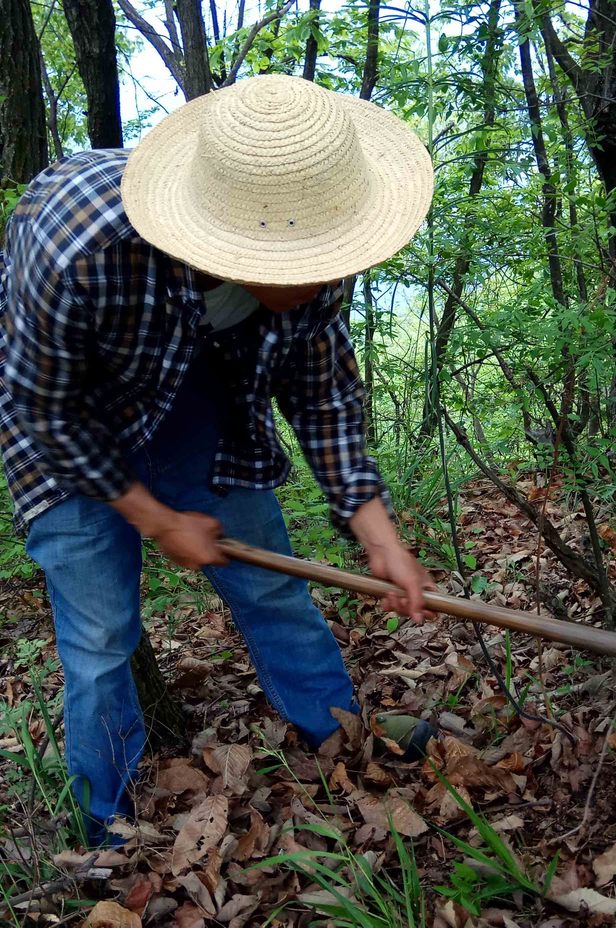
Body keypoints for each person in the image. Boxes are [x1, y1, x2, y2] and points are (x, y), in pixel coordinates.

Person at [0, 75, 435, 845]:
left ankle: (343, 737)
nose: (330, 276)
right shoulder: (79, 247)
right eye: (308, 262)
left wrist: (378, 533)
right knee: (100, 637)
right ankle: (108, 824)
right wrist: (156, 518)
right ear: (235, 239)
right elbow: (42, 410)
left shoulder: (315, 256)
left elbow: (324, 395)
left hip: (197, 394)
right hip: (69, 417)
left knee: (271, 582)